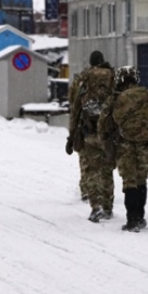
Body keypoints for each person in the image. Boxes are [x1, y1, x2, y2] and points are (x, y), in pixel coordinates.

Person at [98, 65, 148, 232]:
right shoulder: (146, 95)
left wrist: (105, 143)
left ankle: (131, 219)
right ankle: (140, 216)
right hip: (144, 144)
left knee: (129, 181)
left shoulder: (116, 98)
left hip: (124, 144)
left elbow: (103, 123)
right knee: (141, 180)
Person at [66, 50, 116, 222]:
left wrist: (71, 135)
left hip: (88, 131)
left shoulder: (83, 78)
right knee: (107, 170)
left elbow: (74, 106)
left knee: (92, 170)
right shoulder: (113, 76)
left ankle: (95, 206)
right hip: (108, 133)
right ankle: (108, 207)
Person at [65, 72, 89, 202]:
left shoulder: (81, 79)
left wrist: (71, 135)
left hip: (83, 127)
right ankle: (103, 191)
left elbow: (73, 103)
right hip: (102, 129)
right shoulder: (109, 78)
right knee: (102, 163)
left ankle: (86, 189)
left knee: (85, 160)